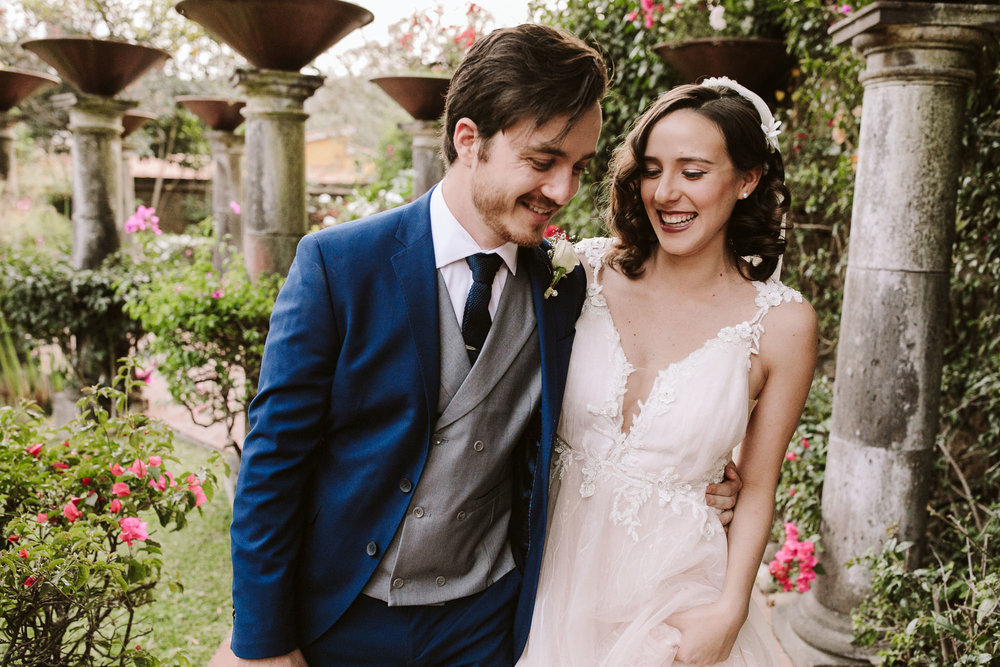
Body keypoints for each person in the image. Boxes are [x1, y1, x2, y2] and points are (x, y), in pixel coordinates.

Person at [228, 24, 742, 667]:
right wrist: (264, 645)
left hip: (489, 626)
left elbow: (617, 411)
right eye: (542, 161)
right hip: (342, 618)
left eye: (578, 167)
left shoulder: (570, 285)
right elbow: (273, 465)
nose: (562, 192)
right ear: (469, 140)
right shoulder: (339, 265)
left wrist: (695, 476)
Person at [516, 79, 818, 666]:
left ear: (748, 179)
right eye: (652, 169)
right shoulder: (583, 271)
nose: (666, 192)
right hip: (549, 577)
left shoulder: (783, 323)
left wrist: (728, 612)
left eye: (694, 171)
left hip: (676, 596)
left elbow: (756, 486)